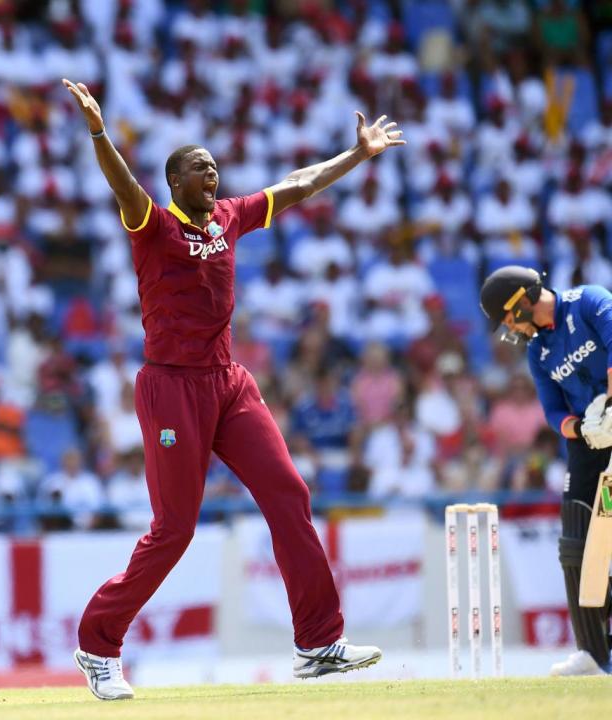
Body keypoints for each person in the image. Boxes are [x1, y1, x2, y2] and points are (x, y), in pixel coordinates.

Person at [62, 77, 405, 700]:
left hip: (228, 382)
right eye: (199, 169)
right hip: (171, 387)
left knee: (289, 491)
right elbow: (122, 184)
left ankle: (318, 644)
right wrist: (98, 131)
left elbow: (297, 185)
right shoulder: (151, 225)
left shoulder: (229, 217)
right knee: (175, 529)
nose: (212, 175)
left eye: (215, 167)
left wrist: (356, 155)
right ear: (174, 184)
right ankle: (98, 643)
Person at [479, 265, 612, 676]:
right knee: (575, 542)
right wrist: (582, 426)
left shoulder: (588, 300)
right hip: (588, 441)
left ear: (522, 300)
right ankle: (593, 653)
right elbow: (554, 411)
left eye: (506, 317)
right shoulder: (538, 352)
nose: (509, 328)